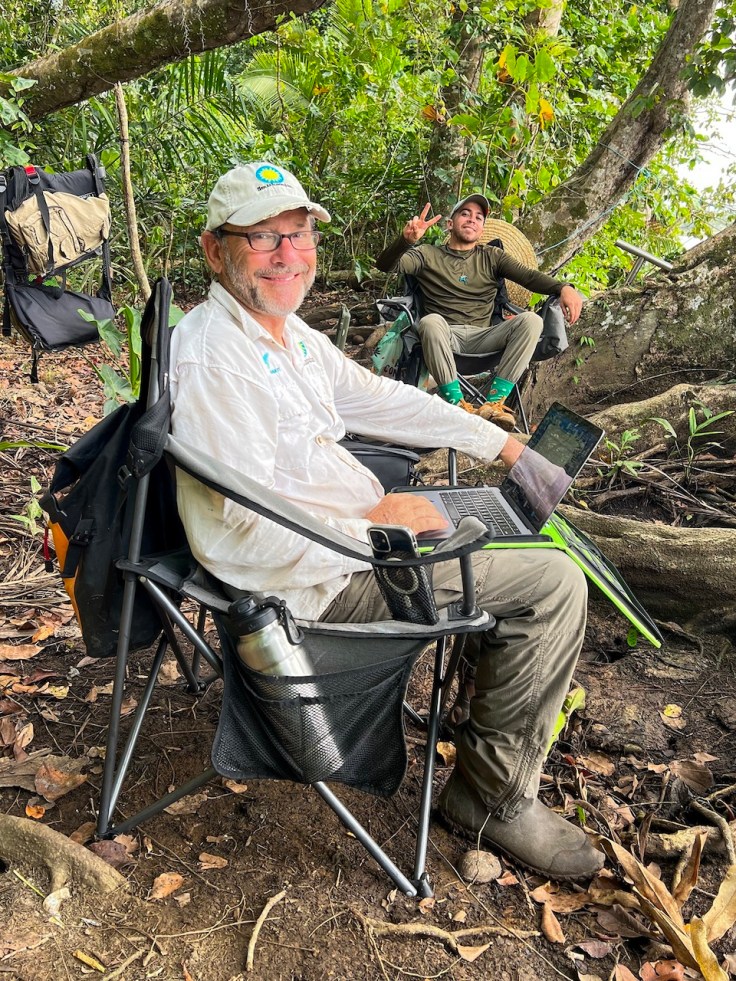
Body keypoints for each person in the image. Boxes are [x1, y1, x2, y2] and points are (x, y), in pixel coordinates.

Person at [169, 161, 603, 881]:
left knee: (499, 528)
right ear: (216, 251)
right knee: (554, 582)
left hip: (347, 545)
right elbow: (240, 531)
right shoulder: (216, 359)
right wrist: (375, 530)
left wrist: (500, 444)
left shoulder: (283, 334)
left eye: (300, 234)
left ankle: (481, 726)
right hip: (313, 583)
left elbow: (378, 397)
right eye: (263, 237)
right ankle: (492, 800)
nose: (288, 254)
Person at [375, 195, 583, 431]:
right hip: (444, 338)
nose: (472, 219)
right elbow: (386, 266)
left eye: (478, 217)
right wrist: (405, 241)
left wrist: (564, 288)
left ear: (482, 228)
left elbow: (529, 277)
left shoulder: (492, 256)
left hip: (485, 339)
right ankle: (457, 405)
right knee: (430, 321)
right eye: (465, 214)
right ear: (450, 224)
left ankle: (494, 405)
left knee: (531, 320)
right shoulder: (427, 254)